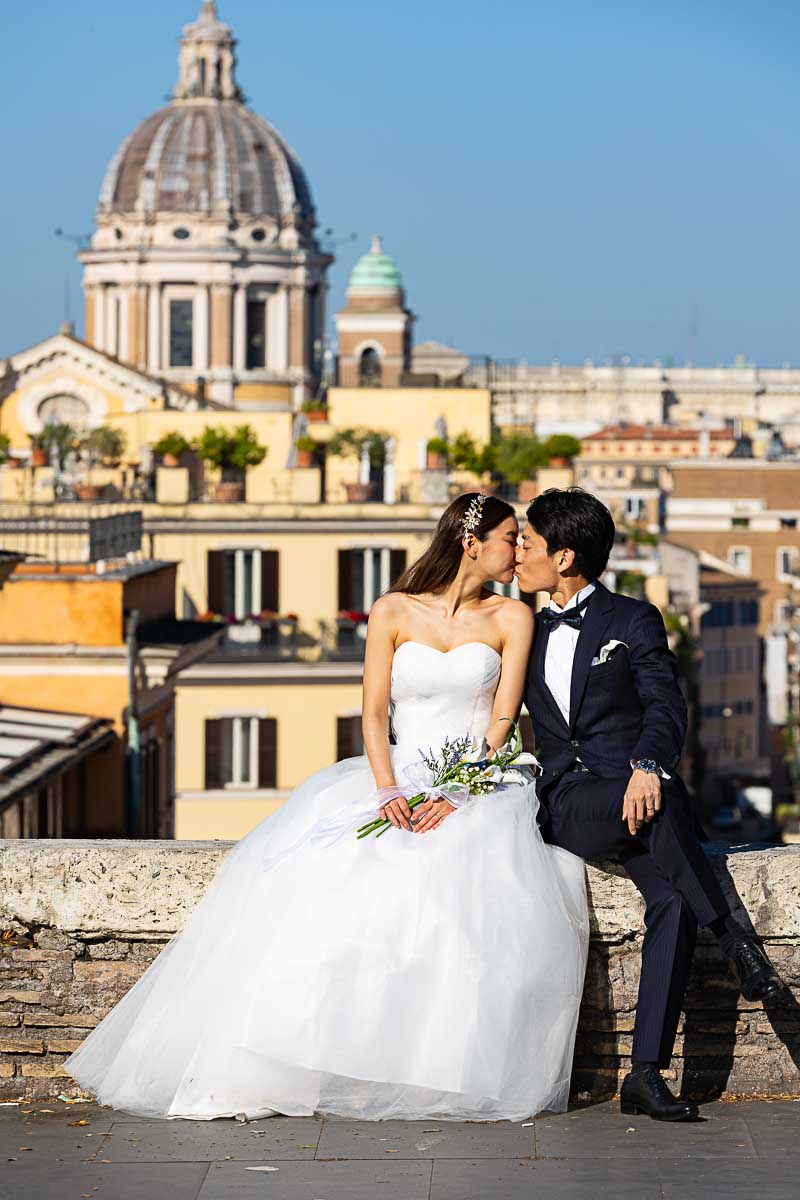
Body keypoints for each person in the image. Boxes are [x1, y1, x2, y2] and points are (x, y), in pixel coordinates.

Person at [65, 493, 589, 1122]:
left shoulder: (513, 618)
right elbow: (372, 711)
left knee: (462, 910)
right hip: (395, 774)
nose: (520, 550)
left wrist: (458, 790)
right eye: (512, 537)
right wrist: (389, 788)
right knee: (326, 893)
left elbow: (504, 715)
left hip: (471, 782)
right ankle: (311, 1061)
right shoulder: (393, 609)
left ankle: (436, 1070)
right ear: (472, 543)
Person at [516, 487, 784, 1123]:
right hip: (566, 799)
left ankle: (645, 1073)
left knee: (670, 900)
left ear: (564, 557)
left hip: (630, 794)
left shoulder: (633, 620)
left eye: (528, 543)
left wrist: (645, 765)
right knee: (666, 801)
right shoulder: (519, 624)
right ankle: (738, 943)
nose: (519, 554)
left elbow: (667, 705)